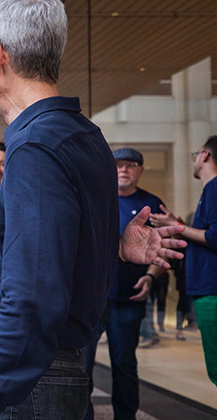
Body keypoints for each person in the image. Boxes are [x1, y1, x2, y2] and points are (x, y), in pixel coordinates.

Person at [0, 2, 184, 419]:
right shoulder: (83, 134)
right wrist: (115, 247)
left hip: (30, 381)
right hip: (53, 371)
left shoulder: (36, 147)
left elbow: (30, 304)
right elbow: (56, 255)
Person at [83, 148, 166, 420]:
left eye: (131, 165)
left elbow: (162, 247)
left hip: (129, 297)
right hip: (91, 299)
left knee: (124, 363)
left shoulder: (151, 204)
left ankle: (126, 416)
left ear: (140, 170)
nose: (124, 170)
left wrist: (151, 276)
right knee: (82, 365)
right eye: (118, 165)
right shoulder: (96, 199)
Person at [151, 135, 217, 388]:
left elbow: (214, 237)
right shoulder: (209, 190)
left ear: (205, 156)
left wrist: (175, 226)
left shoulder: (214, 188)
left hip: (212, 290)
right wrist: (180, 226)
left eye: (195, 155)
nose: (195, 160)